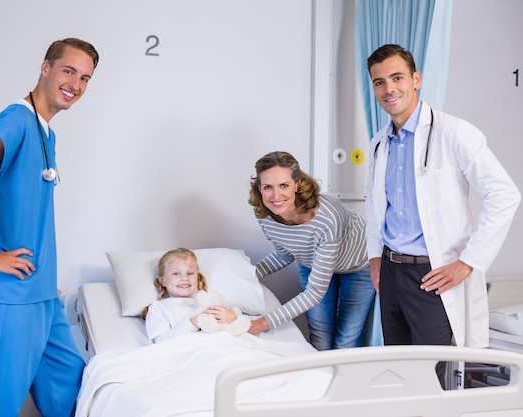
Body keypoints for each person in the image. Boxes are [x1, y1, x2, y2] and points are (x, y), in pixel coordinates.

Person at [0, 38, 99, 416]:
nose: (76, 85)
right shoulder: (16, 120)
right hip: (10, 293)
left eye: (85, 78)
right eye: (69, 71)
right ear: (45, 68)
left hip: (39, 292)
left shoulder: (45, 131)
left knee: (71, 387)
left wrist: (45, 280)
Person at [364, 44, 520, 364]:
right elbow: (375, 205)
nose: (389, 88)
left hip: (432, 274)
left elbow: (505, 194)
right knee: (399, 368)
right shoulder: (379, 143)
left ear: (416, 79)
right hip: (391, 271)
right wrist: (374, 258)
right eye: (380, 82)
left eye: (397, 78)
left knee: (434, 374)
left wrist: (469, 261)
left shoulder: (454, 132)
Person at [247, 151, 376, 350]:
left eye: (283, 185)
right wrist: (245, 274)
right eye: (267, 187)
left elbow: (315, 292)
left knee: (346, 340)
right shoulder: (267, 217)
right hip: (314, 265)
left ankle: (344, 380)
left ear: (297, 183)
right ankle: (322, 380)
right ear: (259, 188)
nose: (276, 196)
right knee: (320, 336)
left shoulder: (326, 217)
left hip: (358, 265)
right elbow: (285, 254)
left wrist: (261, 323)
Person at [143, 248, 251, 343]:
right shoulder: (158, 308)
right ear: (162, 281)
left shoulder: (208, 302)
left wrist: (233, 318)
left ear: (197, 277)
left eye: (190, 273)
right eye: (176, 273)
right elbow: (162, 342)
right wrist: (193, 323)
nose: (184, 278)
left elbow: (235, 329)